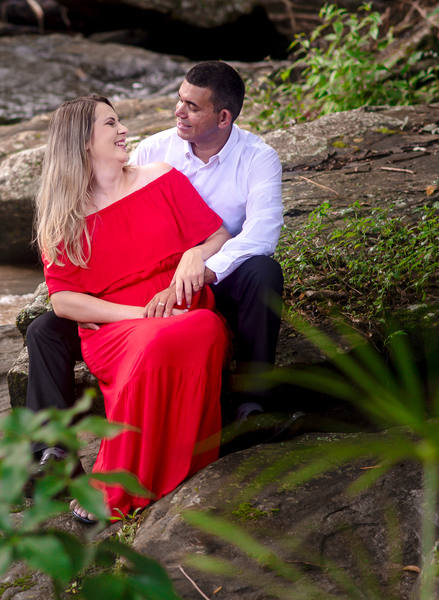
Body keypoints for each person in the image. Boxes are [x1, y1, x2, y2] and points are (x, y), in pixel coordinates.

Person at [28, 61, 285, 471]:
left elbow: (256, 235)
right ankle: (50, 450)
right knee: (44, 331)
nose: (179, 112)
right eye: (179, 101)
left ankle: (251, 408)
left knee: (262, 272)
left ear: (223, 117)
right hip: (128, 304)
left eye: (192, 106)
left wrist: (198, 260)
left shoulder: (257, 159)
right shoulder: (151, 151)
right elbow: (66, 292)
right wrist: (136, 312)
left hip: (215, 277)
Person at [36, 94, 233, 521]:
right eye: (110, 124)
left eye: (119, 121)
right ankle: (114, 487)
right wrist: (138, 315)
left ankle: (175, 469)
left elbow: (216, 234)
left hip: (185, 309)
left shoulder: (161, 178)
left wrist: (193, 255)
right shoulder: (63, 217)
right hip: (115, 328)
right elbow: (64, 300)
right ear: (82, 142)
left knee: (200, 330)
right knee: (150, 342)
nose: (123, 129)